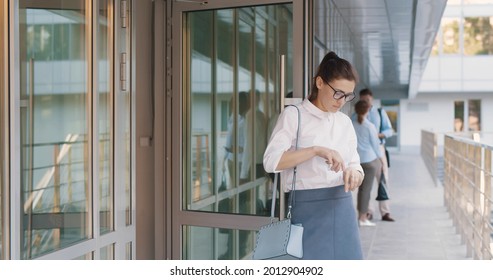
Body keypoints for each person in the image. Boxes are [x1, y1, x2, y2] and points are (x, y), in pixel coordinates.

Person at [263, 51, 364, 260]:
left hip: (342, 205)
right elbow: (271, 162)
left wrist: (355, 174)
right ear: (320, 82)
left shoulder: (344, 122)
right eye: (338, 93)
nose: (342, 101)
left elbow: (355, 164)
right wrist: (316, 150)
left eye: (348, 95)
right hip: (306, 207)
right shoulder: (294, 115)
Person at [358, 88, 395, 222]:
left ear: (371, 99)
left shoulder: (379, 112)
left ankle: (385, 212)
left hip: (378, 149)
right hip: (363, 152)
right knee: (365, 184)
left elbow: (390, 130)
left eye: (367, 100)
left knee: (383, 180)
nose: (365, 103)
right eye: (362, 100)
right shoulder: (355, 115)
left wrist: (380, 135)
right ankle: (368, 212)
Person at [352, 100, 384, 227]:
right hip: (370, 161)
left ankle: (361, 216)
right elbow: (376, 146)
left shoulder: (352, 124)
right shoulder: (370, 126)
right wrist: (381, 159)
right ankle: (362, 218)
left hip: (357, 161)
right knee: (366, 190)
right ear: (368, 111)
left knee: (361, 190)